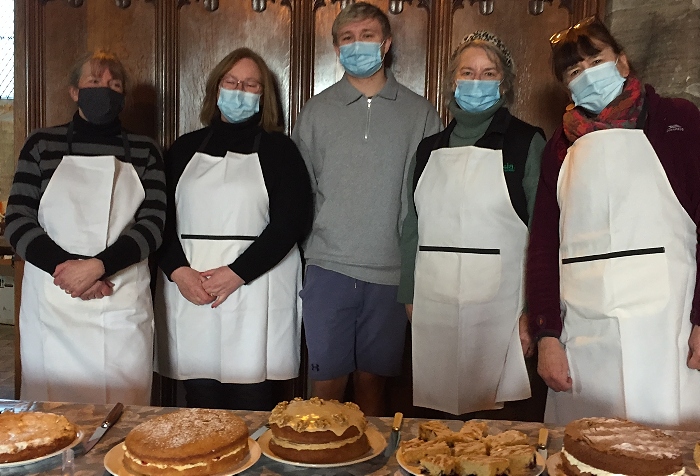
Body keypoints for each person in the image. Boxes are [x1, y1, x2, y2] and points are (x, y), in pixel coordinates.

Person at [527, 17, 700, 428]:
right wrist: (547, 334)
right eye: (574, 70)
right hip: (586, 326)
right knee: (586, 447)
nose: (587, 75)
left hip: (669, 327)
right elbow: (543, 246)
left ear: (621, 62)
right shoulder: (559, 145)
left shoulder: (677, 120)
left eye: (595, 60)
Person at [292, 2, 442, 416]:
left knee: (374, 385)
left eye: (368, 36)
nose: (358, 45)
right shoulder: (316, 112)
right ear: (337, 48)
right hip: (327, 267)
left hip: (391, 272)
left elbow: (427, 197)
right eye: (347, 38)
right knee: (325, 387)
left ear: (387, 43)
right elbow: (301, 193)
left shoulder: (420, 112)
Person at [5, 51, 166, 405]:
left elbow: (154, 225)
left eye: (114, 84)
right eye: (95, 82)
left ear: (123, 97)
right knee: (51, 413)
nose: (104, 90)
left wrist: (96, 268)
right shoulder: (41, 145)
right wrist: (67, 270)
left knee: (125, 410)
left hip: (120, 296)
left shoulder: (144, 151)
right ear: (74, 91)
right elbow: (17, 221)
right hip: (53, 300)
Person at [398, 31, 545, 416]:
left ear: (504, 84)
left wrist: (533, 311)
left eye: (487, 73)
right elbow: (413, 226)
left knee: (496, 434)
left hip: (502, 310)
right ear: (453, 81)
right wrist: (409, 294)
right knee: (436, 428)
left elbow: (543, 232)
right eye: (468, 72)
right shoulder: (429, 149)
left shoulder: (525, 143)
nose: (476, 82)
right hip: (435, 304)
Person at [155, 48, 312, 411]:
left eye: (251, 84)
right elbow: (158, 220)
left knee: (252, 396)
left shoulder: (280, 151)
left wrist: (237, 273)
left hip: (255, 285)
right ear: (216, 89)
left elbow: (291, 222)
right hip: (190, 286)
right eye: (231, 82)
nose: (239, 89)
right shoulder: (182, 149)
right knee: (199, 397)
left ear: (264, 96)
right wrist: (179, 273)